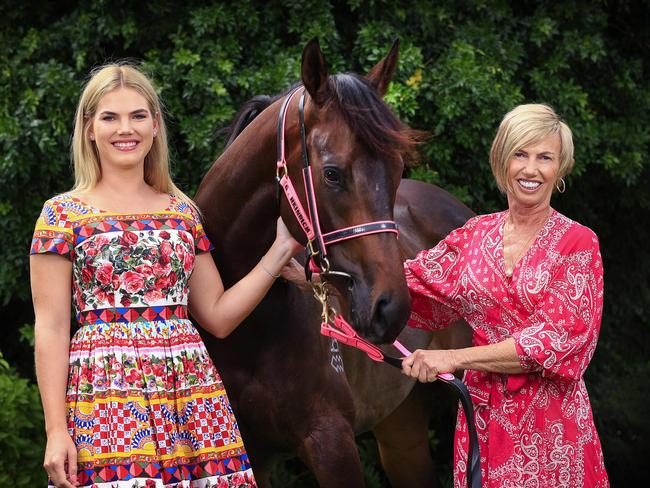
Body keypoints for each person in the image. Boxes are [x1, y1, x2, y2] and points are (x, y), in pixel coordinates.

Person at [30, 62, 301, 488]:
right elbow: (51, 327)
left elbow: (217, 315)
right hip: (105, 401)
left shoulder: (182, 212)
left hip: (191, 399)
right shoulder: (61, 215)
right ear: (88, 129)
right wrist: (55, 430)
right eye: (110, 117)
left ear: (155, 126)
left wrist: (280, 249)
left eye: (138, 116)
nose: (126, 129)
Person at [402, 104, 609, 486]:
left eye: (545, 157)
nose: (531, 169)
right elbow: (409, 287)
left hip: (552, 430)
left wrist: (451, 357)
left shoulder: (578, 243)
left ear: (559, 168)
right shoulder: (475, 234)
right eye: (520, 154)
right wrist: (318, 274)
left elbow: (552, 341)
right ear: (502, 159)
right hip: (483, 420)